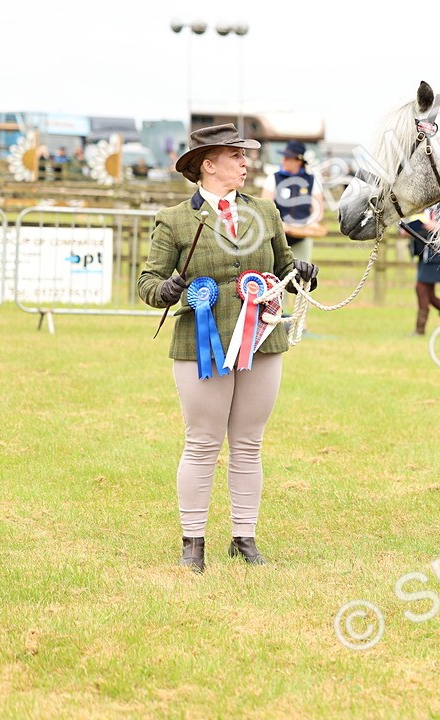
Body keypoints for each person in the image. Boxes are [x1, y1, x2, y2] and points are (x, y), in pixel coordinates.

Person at [137, 124, 319, 574]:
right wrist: (166, 290)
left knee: (249, 442)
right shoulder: (174, 220)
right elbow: (147, 283)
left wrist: (302, 272)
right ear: (208, 164)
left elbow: (283, 268)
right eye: (235, 155)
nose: (244, 162)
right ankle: (193, 543)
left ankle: (244, 537)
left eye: (244, 155)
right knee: (202, 442)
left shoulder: (266, 211)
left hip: (263, 340)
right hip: (201, 344)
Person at [260, 141, 326, 264]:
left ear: (299, 161)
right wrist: (280, 225)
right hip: (276, 237)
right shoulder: (273, 178)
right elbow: (264, 209)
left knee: (302, 271)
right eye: (284, 157)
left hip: (302, 237)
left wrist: (310, 224)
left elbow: (318, 210)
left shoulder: (312, 180)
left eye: (287, 158)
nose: (283, 160)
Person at [404, 202, 440, 335]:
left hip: (436, 255)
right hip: (423, 254)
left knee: (420, 288)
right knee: (429, 295)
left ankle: (420, 329)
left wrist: (437, 226)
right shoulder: (423, 205)